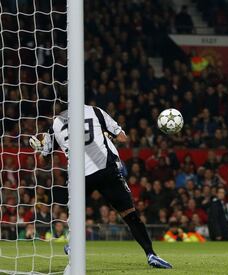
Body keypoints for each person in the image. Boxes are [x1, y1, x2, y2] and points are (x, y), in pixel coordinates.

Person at [29, 104, 172, 269]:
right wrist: (107, 135)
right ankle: (151, 254)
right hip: (105, 170)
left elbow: (44, 160)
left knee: (76, 214)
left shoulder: (55, 124)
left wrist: (40, 148)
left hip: (79, 176)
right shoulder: (94, 111)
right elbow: (122, 137)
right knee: (129, 214)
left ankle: (73, 246)